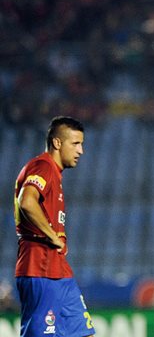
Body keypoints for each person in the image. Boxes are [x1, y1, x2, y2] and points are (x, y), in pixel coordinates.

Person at [13, 116, 95, 337]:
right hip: (40, 267)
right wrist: (52, 235)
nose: (81, 151)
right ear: (57, 143)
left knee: (83, 333)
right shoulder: (43, 166)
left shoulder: (54, 175)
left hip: (59, 270)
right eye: (76, 143)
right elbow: (26, 201)